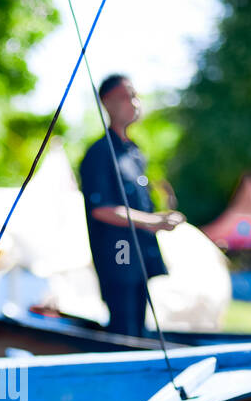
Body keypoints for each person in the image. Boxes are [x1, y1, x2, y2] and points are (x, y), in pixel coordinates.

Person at [79, 74, 186, 337]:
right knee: (123, 330)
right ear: (107, 102)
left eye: (136, 96)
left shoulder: (134, 152)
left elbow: (138, 205)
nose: (135, 103)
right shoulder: (99, 153)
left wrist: (160, 216)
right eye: (127, 96)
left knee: (140, 328)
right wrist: (153, 222)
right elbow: (101, 209)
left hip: (139, 258)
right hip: (118, 259)